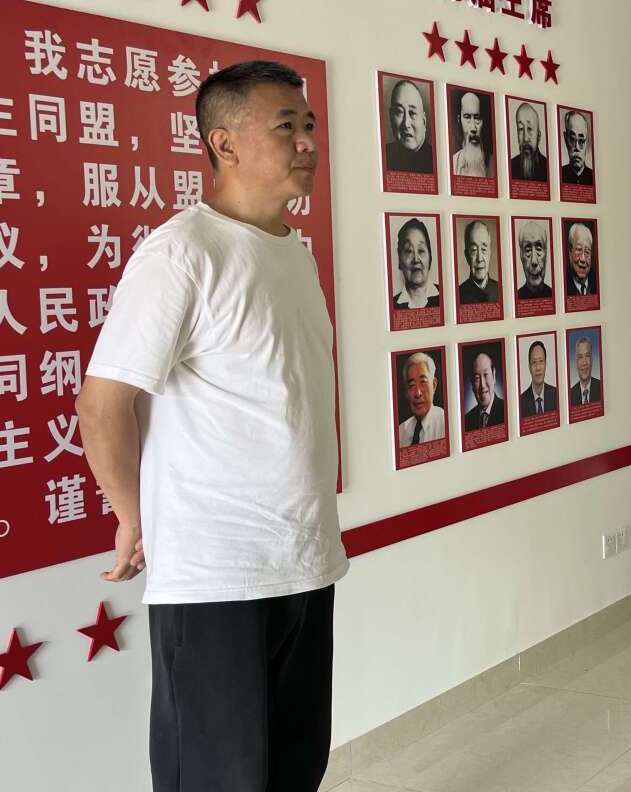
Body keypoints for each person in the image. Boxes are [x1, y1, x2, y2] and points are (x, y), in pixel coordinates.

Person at [75, 60, 349, 792]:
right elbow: (102, 403)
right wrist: (133, 516)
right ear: (223, 144)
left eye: (309, 125)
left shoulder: (293, 256)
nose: (307, 142)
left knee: (294, 769)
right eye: (285, 126)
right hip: (215, 576)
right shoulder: (182, 253)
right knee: (217, 778)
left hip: (303, 560)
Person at [384, 79, 432, 173]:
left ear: (424, 121)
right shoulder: (384, 154)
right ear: (391, 116)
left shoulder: (435, 160)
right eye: (399, 112)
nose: (406, 124)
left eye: (412, 113)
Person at [398, 352, 445, 446]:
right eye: (411, 385)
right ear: (406, 392)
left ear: (434, 385)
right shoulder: (401, 431)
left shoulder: (445, 423)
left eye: (423, 382)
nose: (418, 393)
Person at [392, 217, 439, 309]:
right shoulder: (392, 305)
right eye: (409, 251)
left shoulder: (448, 295)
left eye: (421, 250)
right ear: (399, 260)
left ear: (430, 258)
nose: (416, 259)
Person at [458, 219, 500, 304]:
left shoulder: (501, 290)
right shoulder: (458, 295)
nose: (479, 259)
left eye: (484, 249)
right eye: (474, 250)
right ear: (467, 256)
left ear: (490, 253)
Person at [464, 351, 506, 430]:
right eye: (477, 378)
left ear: (494, 375)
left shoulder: (506, 410)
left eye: (486, 375)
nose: (482, 385)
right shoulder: (466, 421)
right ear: (472, 383)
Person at [452, 91, 490, 177]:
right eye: (467, 117)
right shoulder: (453, 163)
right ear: (459, 120)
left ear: (483, 121)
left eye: (477, 118)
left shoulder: (494, 163)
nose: (473, 128)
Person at [519, 340, 558, 417]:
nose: (538, 368)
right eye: (534, 362)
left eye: (541, 361)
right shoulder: (521, 401)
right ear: (529, 367)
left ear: (545, 364)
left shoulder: (556, 395)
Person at [510, 101, 547, 182]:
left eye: (530, 128)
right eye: (521, 129)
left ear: (539, 135)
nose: (525, 138)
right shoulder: (510, 166)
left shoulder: (548, 167)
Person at [516, 221, 553, 300]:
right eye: (528, 250)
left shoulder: (555, 295)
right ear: (521, 256)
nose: (534, 261)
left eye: (539, 249)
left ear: (546, 254)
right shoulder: (515, 297)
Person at [560, 109, 594, 186]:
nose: (577, 147)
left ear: (586, 142)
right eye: (572, 139)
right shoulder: (559, 174)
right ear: (565, 139)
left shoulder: (593, 177)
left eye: (581, 141)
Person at [565, 222, 597, 296]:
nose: (583, 259)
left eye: (587, 252)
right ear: (570, 252)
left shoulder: (597, 282)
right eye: (579, 249)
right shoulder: (563, 283)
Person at [571, 335, 602, 406]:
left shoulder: (601, 387)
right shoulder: (570, 394)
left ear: (592, 359)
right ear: (576, 362)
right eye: (580, 357)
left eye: (587, 356)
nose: (584, 362)